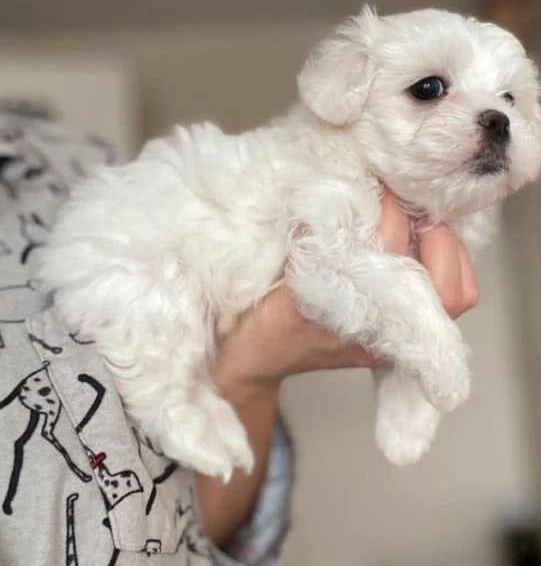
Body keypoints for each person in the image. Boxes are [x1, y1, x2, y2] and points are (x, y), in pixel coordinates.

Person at [0, 109, 478, 565]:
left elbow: (187, 530)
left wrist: (249, 374)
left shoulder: (64, 155)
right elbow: (328, 274)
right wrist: (430, 346)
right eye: (428, 90)